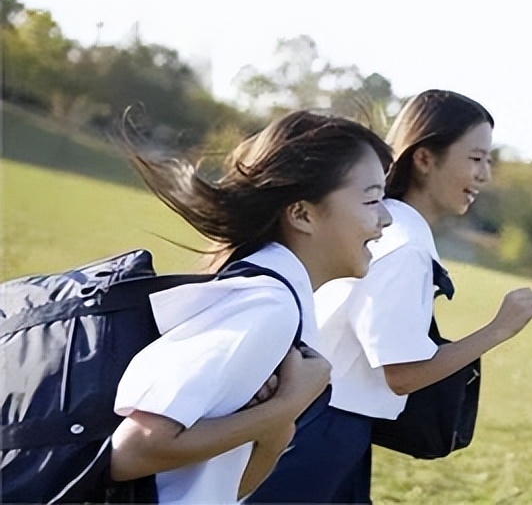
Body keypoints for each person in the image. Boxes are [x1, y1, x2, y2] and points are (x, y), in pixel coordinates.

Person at [248, 89, 532, 504]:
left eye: (488, 161)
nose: (485, 175)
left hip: (324, 422)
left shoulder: (386, 226)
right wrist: (498, 329)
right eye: (475, 159)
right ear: (424, 158)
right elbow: (402, 373)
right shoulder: (404, 244)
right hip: (324, 429)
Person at [109, 109, 394, 504]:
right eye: (372, 200)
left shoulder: (280, 301)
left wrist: (279, 429)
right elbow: (131, 451)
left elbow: (229, 488)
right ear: (301, 213)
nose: (386, 218)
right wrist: (287, 405)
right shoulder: (267, 305)